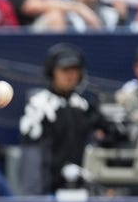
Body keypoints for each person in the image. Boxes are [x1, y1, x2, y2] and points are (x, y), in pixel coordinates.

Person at [18, 42, 109, 193]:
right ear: (52, 72)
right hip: (49, 191)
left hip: (84, 188)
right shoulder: (38, 107)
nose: (70, 75)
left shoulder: (84, 106)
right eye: (65, 70)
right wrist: (33, 197)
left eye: (75, 70)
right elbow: (31, 158)